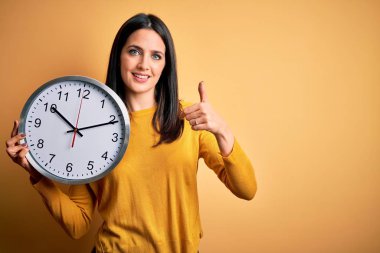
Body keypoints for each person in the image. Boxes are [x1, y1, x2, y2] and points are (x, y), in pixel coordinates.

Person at [5, 13, 257, 253]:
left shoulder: (190, 118)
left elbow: (247, 190)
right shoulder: (89, 130)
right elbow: (78, 225)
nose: (144, 64)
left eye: (156, 56)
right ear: (119, 57)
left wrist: (222, 131)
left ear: (166, 65)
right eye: (134, 51)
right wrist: (38, 174)